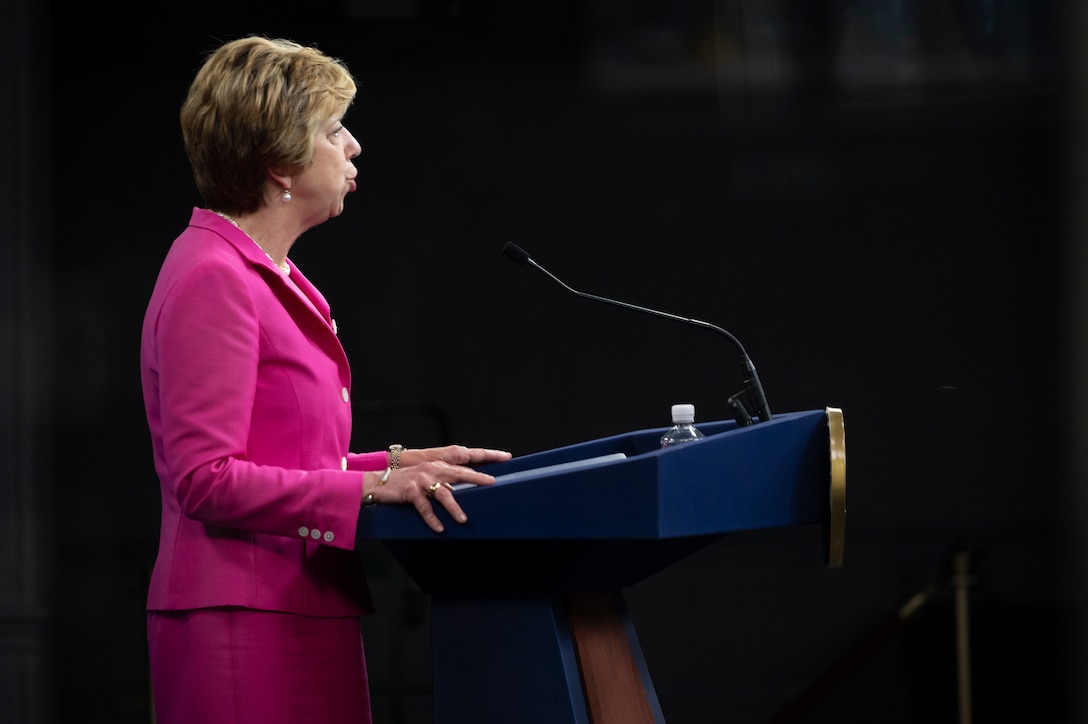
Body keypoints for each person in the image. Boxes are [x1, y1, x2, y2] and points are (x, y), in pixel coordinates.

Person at [139, 36, 511, 724]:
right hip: (239, 625)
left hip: (299, 604)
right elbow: (206, 478)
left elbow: (289, 463)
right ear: (280, 160)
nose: (355, 145)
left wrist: (400, 464)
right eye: (334, 128)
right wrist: (373, 486)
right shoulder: (212, 278)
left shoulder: (272, 275)